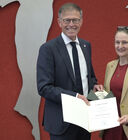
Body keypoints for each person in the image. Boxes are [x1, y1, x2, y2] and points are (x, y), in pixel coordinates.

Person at [36, 3, 103, 140]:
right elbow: (44, 88)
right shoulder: (48, 49)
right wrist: (75, 97)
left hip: (84, 121)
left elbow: (90, 76)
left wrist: (94, 86)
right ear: (59, 22)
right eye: (67, 20)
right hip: (61, 123)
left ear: (81, 21)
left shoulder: (86, 46)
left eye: (75, 20)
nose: (71, 24)